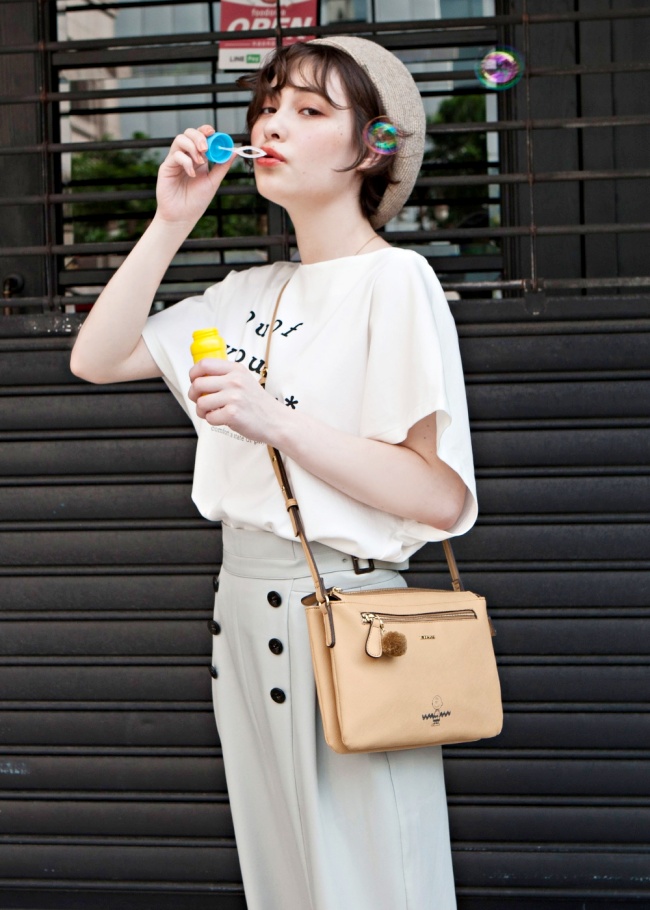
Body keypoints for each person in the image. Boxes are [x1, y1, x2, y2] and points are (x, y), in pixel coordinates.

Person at [70, 35, 478, 910]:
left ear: (372, 147)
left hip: (357, 620)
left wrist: (274, 420)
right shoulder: (247, 293)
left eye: (309, 109)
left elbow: (438, 496)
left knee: (376, 886)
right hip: (243, 618)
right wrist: (172, 219)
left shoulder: (396, 280)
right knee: (283, 885)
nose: (272, 124)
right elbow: (95, 358)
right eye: (267, 106)